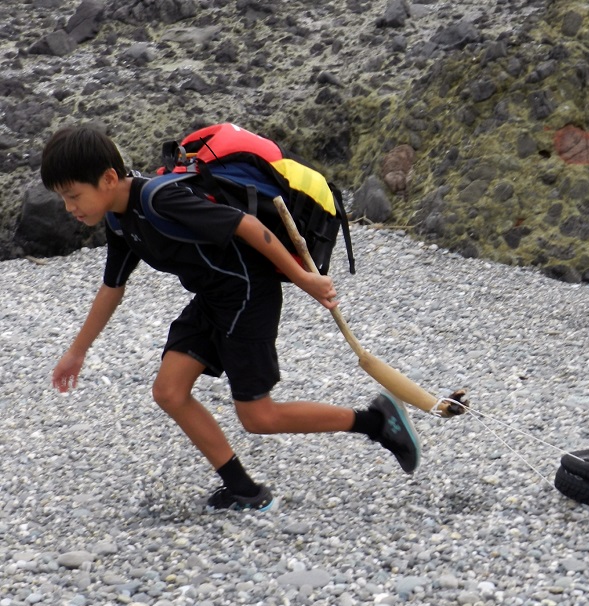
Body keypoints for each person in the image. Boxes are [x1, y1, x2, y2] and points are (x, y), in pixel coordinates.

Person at [41, 125, 422, 512]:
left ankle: (377, 422)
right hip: (213, 297)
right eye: (63, 199)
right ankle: (243, 490)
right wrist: (77, 352)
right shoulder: (121, 220)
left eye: (73, 196)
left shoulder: (161, 200)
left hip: (247, 296)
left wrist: (303, 278)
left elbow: (247, 225)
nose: (70, 208)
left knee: (259, 416)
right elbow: (112, 287)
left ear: (107, 178)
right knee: (169, 391)